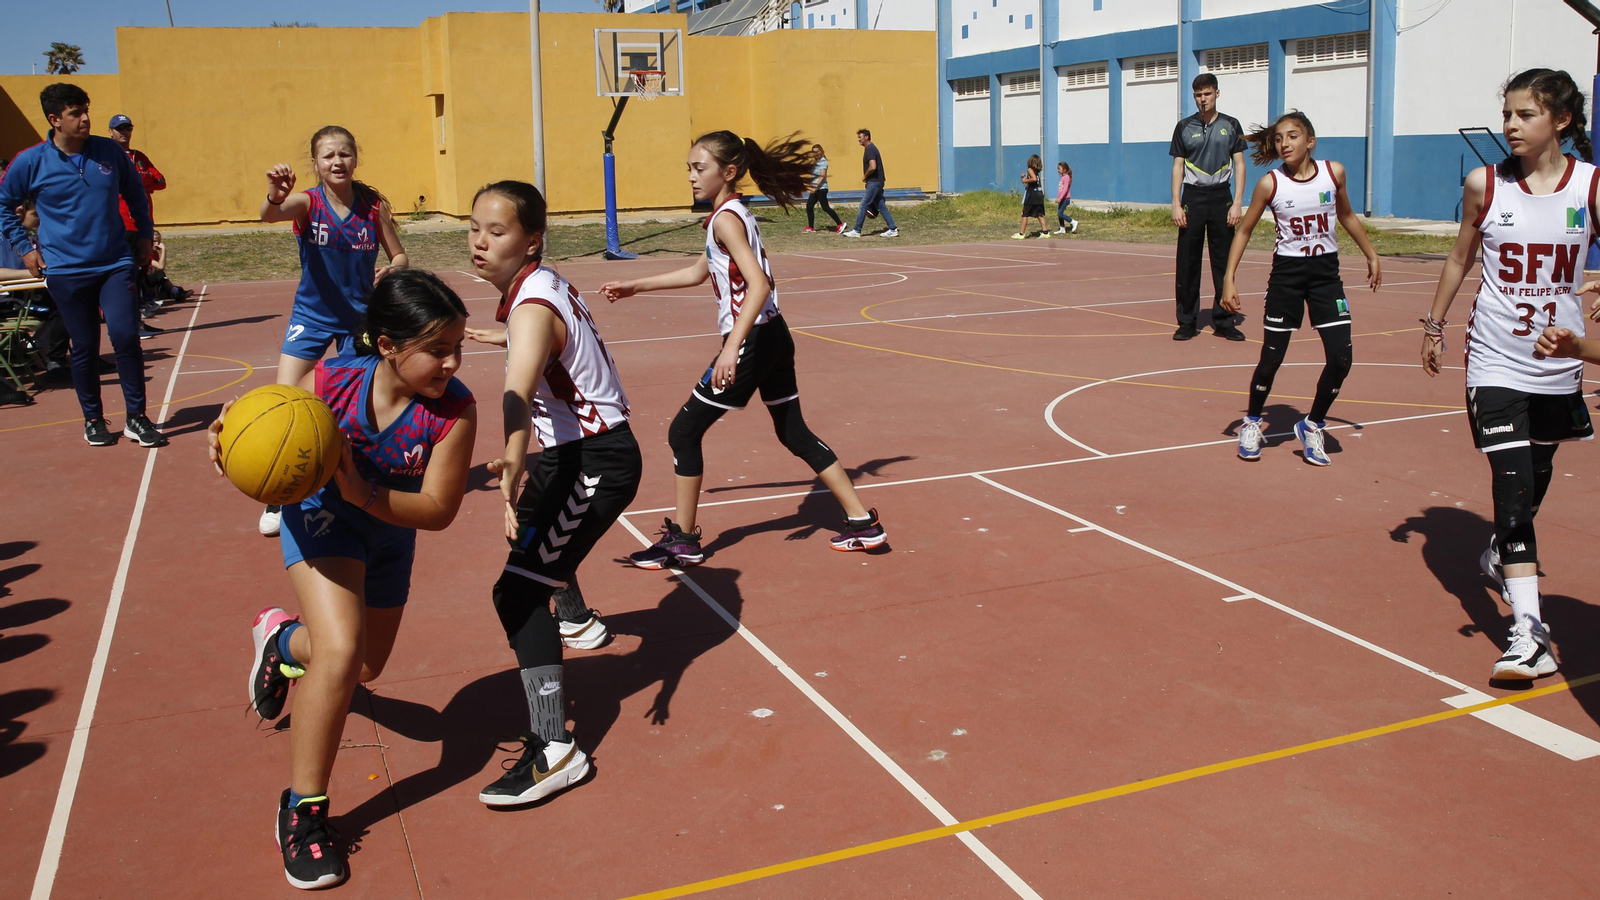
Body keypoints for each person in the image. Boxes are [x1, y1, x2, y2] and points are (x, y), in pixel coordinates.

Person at [212, 269, 475, 891]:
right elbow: (261, 425)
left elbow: (437, 511)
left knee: (364, 668)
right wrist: (233, 435)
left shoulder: (453, 411)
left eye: (457, 347)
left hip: (391, 531)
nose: (452, 362)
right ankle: (304, 813)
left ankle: (280, 643)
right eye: (437, 350)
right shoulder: (328, 384)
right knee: (339, 649)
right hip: (322, 523)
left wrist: (365, 491)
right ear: (387, 344)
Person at [600, 130, 888, 568]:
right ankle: (862, 522)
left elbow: (759, 283)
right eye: (690, 169)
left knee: (683, 432)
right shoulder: (731, 213)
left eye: (700, 169)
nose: (692, 177)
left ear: (728, 171)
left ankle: (682, 538)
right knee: (793, 433)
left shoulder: (726, 219)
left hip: (752, 339)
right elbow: (703, 270)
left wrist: (732, 347)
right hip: (773, 334)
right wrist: (635, 285)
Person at [461, 180, 642, 806]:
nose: (479, 241)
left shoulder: (531, 308)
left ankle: (555, 749)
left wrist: (513, 461)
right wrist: (501, 339)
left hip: (596, 461)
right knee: (531, 569)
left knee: (516, 594)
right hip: (575, 455)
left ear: (531, 240)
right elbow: (541, 349)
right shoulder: (539, 288)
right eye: (475, 227)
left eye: (497, 231)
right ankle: (579, 620)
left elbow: (517, 390)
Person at [1420, 68, 1598, 682]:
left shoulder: (1590, 189)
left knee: (1536, 475)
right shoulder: (1485, 186)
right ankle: (1530, 632)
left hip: (1558, 363)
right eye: (1508, 115)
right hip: (1494, 357)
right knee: (1512, 485)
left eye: (1525, 115)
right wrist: (1434, 323)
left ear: (1563, 121)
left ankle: (1499, 551)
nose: (1511, 126)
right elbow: (1459, 256)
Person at [256, 125, 409, 537]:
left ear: (356, 158)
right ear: (316, 164)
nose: (337, 162)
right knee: (285, 401)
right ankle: (278, 490)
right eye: (328, 156)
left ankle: (352, 477)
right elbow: (270, 215)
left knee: (351, 406)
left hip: (358, 323)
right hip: (311, 315)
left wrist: (391, 270)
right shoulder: (307, 202)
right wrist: (275, 194)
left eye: (344, 154)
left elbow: (400, 255)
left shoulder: (372, 207)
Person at [0, 83, 164, 447]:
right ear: (54, 119)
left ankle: (137, 417)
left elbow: (136, 193)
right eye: (76, 112)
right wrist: (24, 248)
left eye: (86, 109)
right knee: (85, 346)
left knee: (124, 335)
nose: (85, 118)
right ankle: (93, 419)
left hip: (114, 263)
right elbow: (3, 205)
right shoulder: (29, 161)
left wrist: (142, 235)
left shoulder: (109, 152)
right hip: (65, 270)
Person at [1220, 111, 1381, 465]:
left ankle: (1312, 425)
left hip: (1326, 276)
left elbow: (1347, 215)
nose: (1284, 143)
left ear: (1310, 141)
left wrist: (1371, 253)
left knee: (1342, 357)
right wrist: (1229, 278)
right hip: (1287, 277)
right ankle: (1252, 422)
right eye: (1279, 138)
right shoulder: (1271, 184)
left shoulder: (1333, 172)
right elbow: (1244, 230)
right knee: (1272, 357)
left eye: (1292, 136)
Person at [1170, 73, 1247, 342]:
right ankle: (1187, 321)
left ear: (1216, 93)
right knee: (1187, 262)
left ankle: (1225, 321)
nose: (1203, 99)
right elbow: (1178, 166)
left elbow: (1239, 165)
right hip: (1193, 197)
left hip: (1221, 197)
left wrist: (1237, 202)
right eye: (1198, 95)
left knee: (1223, 262)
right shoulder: (1184, 127)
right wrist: (1176, 204)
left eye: (1208, 94)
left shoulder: (1231, 124)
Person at [842, 128, 899, 238]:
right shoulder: (871, 148)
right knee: (881, 206)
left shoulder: (870, 149)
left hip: (874, 182)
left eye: (860, 137)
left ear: (866, 137)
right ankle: (892, 229)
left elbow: (872, 166)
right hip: (877, 181)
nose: (858, 140)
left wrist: (865, 176)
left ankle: (857, 230)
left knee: (863, 205)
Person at [802, 145, 844, 234]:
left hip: (821, 189)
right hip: (816, 189)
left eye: (817, 151)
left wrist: (815, 187)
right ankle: (811, 227)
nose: (815, 153)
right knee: (809, 206)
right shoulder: (816, 162)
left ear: (821, 151)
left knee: (825, 207)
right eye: (814, 152)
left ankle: (840, 224)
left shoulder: (823, 162)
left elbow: (822, 176)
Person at [1013, 154, 1048, 239]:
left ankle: (1021, 234)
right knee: (1039, 214)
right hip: (1039, 194)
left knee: (1025, 214)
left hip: (1032, 195)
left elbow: (1034, 179)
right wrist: (1024, 179)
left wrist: (1024, 180)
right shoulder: (1036, 172)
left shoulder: (1030, 169)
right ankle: (1045, 231)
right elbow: (1033, 181)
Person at [1054, 161, 1078, 234]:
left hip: (1065, 199)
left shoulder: (1066, 177)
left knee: (1060, 213)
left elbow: (1065, 189)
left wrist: (1060, 198)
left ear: (1064, 169)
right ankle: (1062, 228)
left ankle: (1073, 222)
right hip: (1062, 199)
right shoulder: (1063, 177)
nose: (1058, 170)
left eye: (1059, 168)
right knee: (1059, 213)